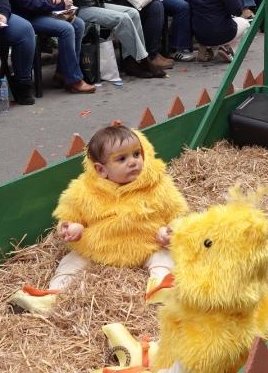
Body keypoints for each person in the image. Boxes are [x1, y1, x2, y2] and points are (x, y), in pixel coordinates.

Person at [13, 124, 187, 314]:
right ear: (101, 169)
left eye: (137, 154)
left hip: (147, 244)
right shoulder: (85, 190)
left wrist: (170, 231)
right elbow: (69, 213)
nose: (133, 162)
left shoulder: (157, 185)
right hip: (98, 247)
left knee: (164, 257)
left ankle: (162, 288)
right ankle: (53, 294)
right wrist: (72, 227)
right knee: (71, 262)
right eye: (122, 158)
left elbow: (179, 213)